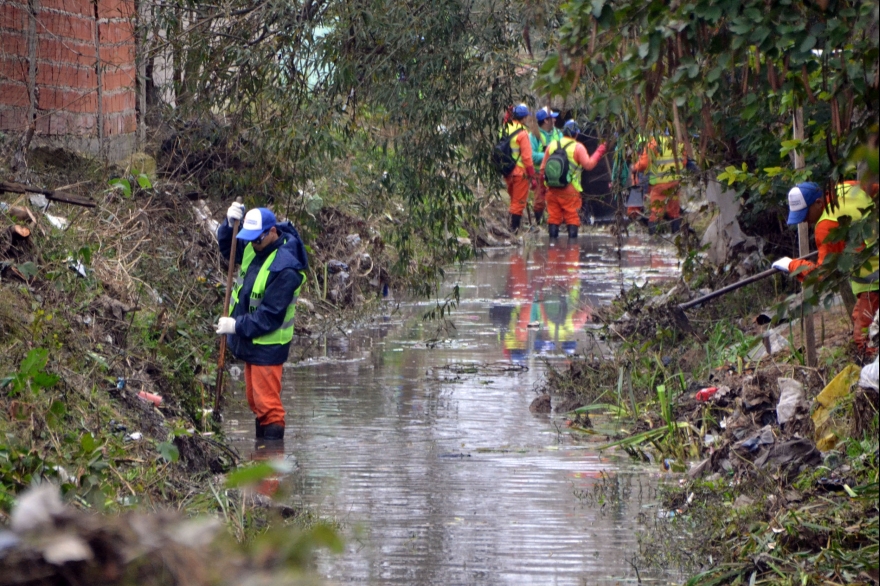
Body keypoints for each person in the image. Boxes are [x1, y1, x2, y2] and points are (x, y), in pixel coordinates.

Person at [216, 204, 309, 440]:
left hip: (268, 344)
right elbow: (231, 251)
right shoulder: (253, 245)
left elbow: (270, 315)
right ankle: (262, 460)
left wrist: (235, 326)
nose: (252, 245)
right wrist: (228, 226)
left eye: (256, 240)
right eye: (249, 239)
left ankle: (271, 467)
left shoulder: (286, 268)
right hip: (250, 339)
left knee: (269, 408)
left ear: (271, 233)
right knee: (255, 402)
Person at [773, 181, 879, 356]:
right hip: (872, 280)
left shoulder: (825, 225)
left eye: (805, 214)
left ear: (819, 203)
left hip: (873, 283)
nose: (805, 221)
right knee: (859, 318)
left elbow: (822, 274)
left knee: (866, 339)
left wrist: (792, 265)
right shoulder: (846, 187)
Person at [540, 119, 607, 239]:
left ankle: (552, 250)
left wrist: (543, 188)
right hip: (570, 190)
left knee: (553, 218)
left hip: (552, 189)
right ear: (576, 134)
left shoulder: (552, 145)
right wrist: (600, 150)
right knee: (572, 218)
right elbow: (589, 165)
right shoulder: (578, 147)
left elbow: (542, 169)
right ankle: (572, 251)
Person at [632, 133, 682, 233]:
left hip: (660, 185)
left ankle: (653, 240)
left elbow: (644, 164)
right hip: (675, 184)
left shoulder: (653, 143)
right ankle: (677, 238)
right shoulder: (675, 141)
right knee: (674, 213)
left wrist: (634, 167)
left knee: (655, 214)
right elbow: (684, 161)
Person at [500, 103, 537, 232]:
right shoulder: (523, 133)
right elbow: (527, 158)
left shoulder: (504, 128)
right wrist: (532, 176)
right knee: (518, 203)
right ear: (524, 118)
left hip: (507, 171)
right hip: (520, 173)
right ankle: (513, 231)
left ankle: (511, 228)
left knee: (513, 201)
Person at [529, 107, 561, 225]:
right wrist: (549, 155)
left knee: (557, 200)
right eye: (552, 118)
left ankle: (555, 223)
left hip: (556, 174)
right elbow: (531, 156)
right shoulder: (533, 136)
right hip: (539, 173)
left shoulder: (558, 133)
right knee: (539, 201)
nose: (555, 120)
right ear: (546, 121)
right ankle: (539, 224)